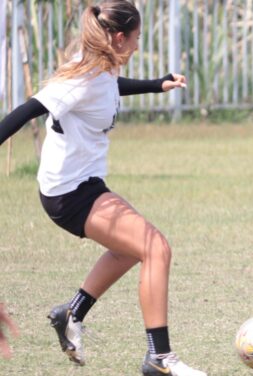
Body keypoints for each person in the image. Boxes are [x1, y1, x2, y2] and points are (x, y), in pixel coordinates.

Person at [0, 1, 205, 375]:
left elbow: (110, 87)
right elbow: (27, 110)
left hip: (84, 184)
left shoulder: (101, 66)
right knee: (155, 247)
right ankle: (159, 357)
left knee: (130, 249)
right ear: (120, 37)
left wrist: (157, 84)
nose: (139, 46)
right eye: (138, 38)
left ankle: (71, 313)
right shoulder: (82, 75)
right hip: (68, 192)